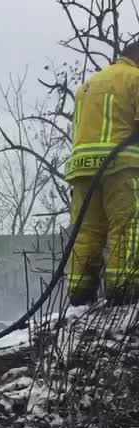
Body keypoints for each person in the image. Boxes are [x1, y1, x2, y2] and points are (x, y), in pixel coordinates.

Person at [65, 41, 139, 306]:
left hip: (83, 169)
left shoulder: (89, 85)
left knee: (87, 231)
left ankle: (78, 292)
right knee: (128, 224)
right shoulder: (135, 78)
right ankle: (124, 288)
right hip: (120, 167)